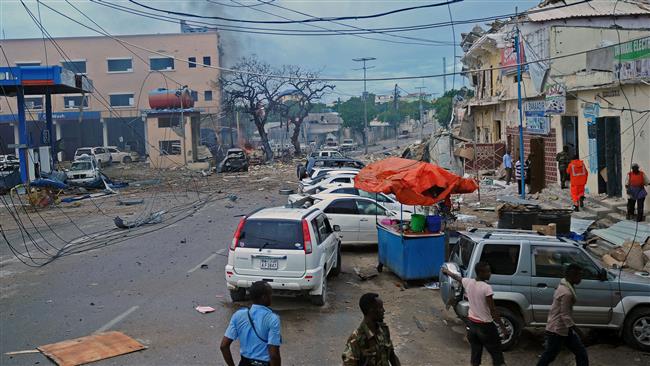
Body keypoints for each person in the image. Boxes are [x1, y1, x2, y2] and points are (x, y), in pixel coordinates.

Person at [443, 262, 507, 366]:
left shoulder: (468, 282)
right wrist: (502, 327)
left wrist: (446, 271)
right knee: (497, 355)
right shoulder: (486, 288)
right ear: (481, 273)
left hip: (472, 326)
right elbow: (493, 310)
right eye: (488, 271)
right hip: (486, 327)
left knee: (475, 356)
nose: (490, 274)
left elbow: (457, 277)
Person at [537, 264, 588, 366]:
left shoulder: (563, 285)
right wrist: (579, 331)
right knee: (550, 355)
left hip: (562, 328)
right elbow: (565, 315)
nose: (581, 278)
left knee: (580, 352)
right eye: (579, 275)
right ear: (572, 275)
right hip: (557, 330)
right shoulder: (567, 293)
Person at [220, 281, 282, 366]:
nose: (271, 297)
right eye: (270, 295)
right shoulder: (272, 319)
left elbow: (224, 346)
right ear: (264, 297)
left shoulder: (238, 315)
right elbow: (274, 355)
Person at [342, 293, 401, 366]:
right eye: (381, 308)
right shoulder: (357, 339)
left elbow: (392, 355)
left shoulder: (383, 330)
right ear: (371, 310)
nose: (384, 310)